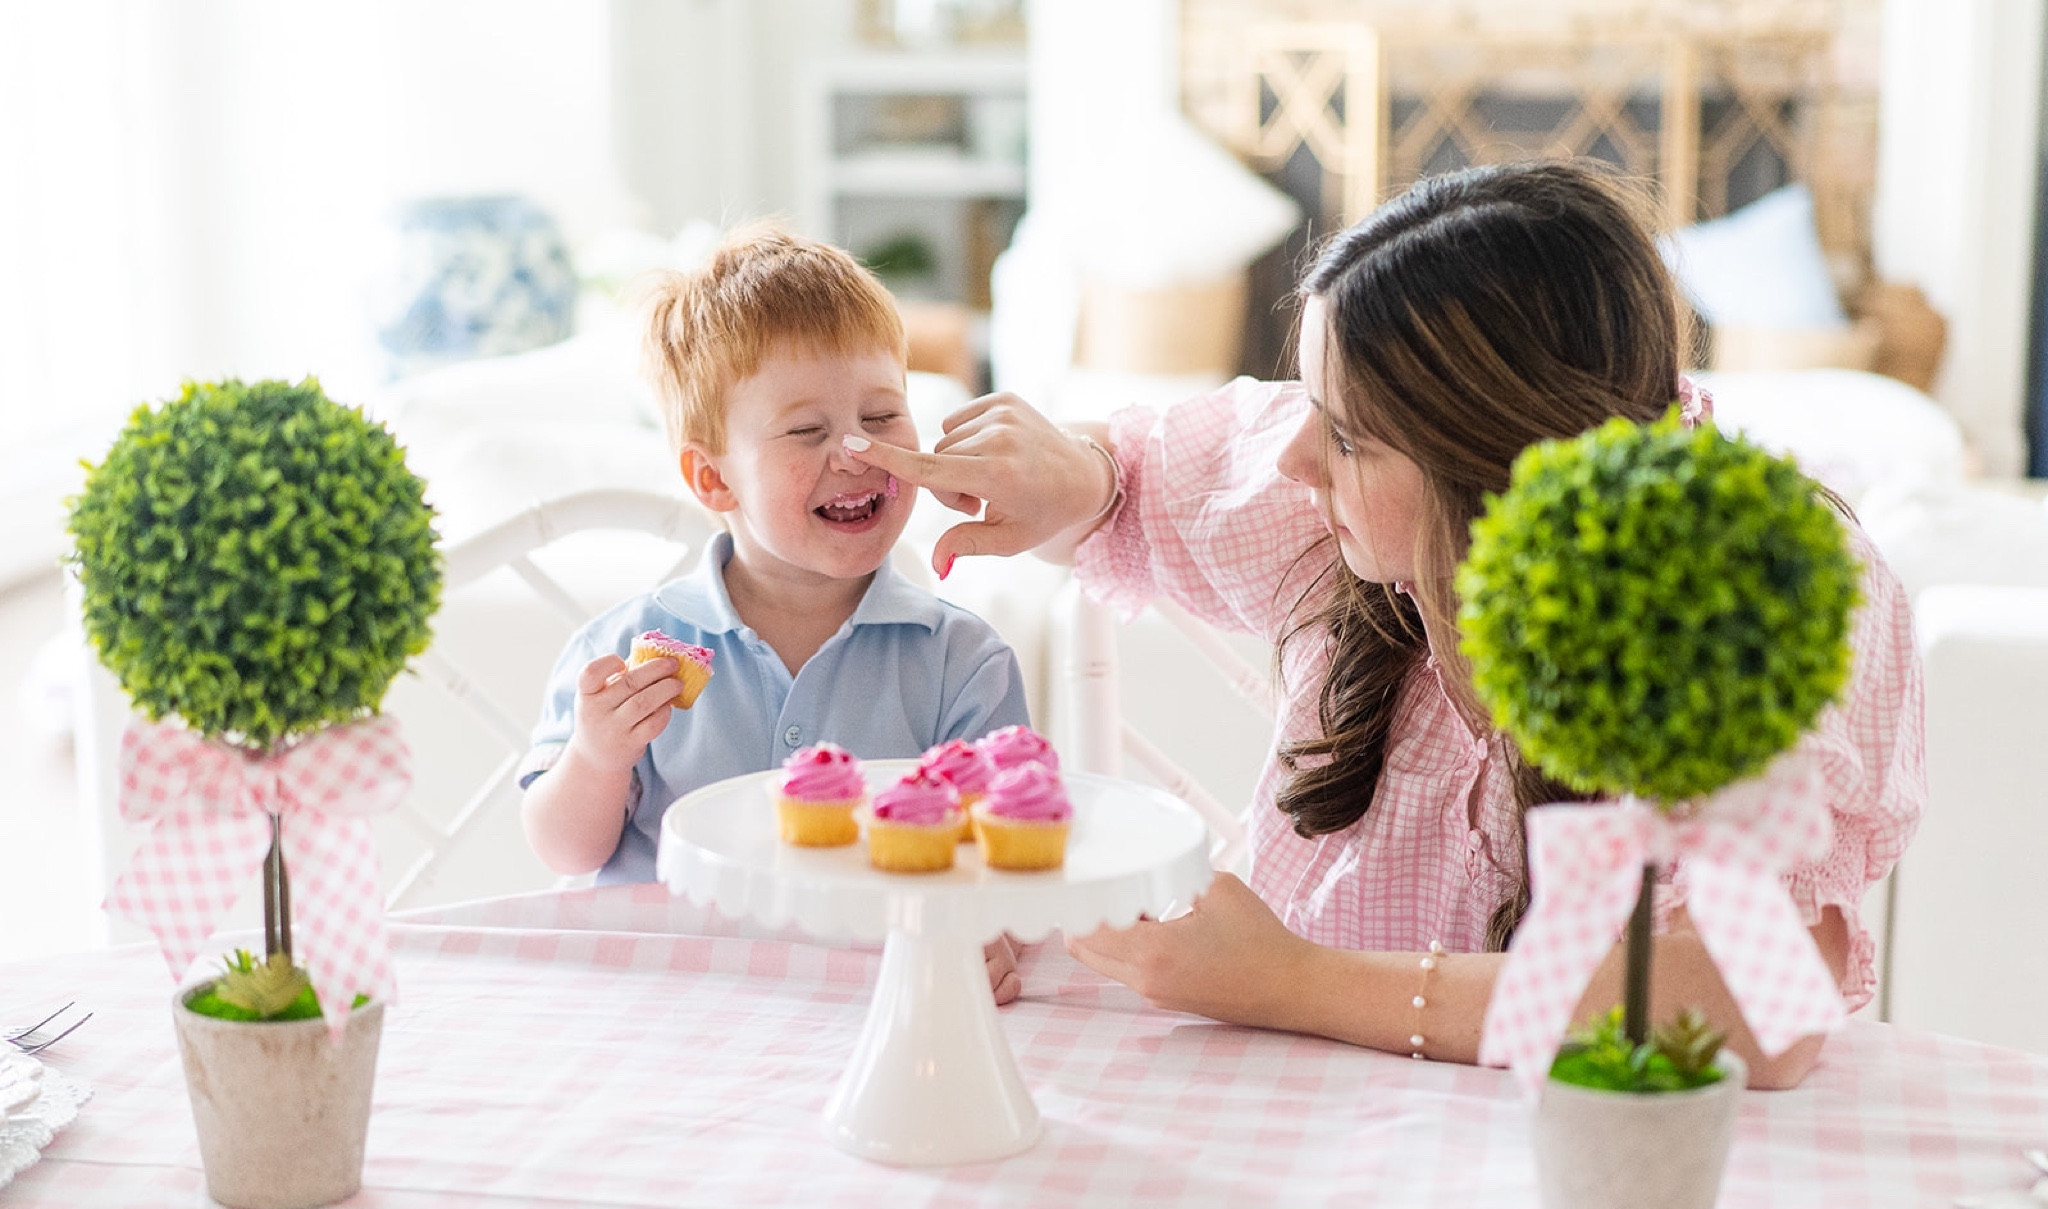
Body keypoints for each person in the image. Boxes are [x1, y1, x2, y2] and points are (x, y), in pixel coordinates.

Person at [844, 161, 1925, 1086]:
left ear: (1495, 469)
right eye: (1308, 402)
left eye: (1347, 437)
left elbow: (1748, 1005)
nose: (1292, 461)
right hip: (1288, 1129)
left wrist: (1289, 980)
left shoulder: (1768, 586)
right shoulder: (1339, 491)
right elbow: (1128, 476)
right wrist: (1069, 472)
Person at [519, 225, 1034, 998]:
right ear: (712, 479)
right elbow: (564, 851)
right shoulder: (630, 650)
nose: (857, 451)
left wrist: (988, 933)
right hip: (658, 999)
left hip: (868, 1004)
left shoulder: (961, 662)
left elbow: (1007, 853)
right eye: (807, 431)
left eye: (884, 415)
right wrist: (596, 756)